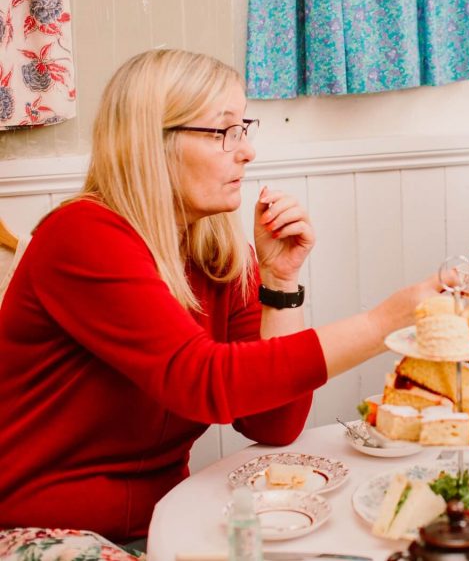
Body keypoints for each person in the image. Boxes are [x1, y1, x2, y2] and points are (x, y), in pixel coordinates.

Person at [0, 50, 441, 543]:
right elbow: (203, 381)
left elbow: (273, 424)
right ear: (153, 144)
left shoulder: (217, 249)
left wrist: (279, 282)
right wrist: (385, 324)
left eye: (245, 128)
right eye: (223, 131)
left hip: (164, 523)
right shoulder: (82, 235)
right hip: (42, 529)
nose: (247, 150)